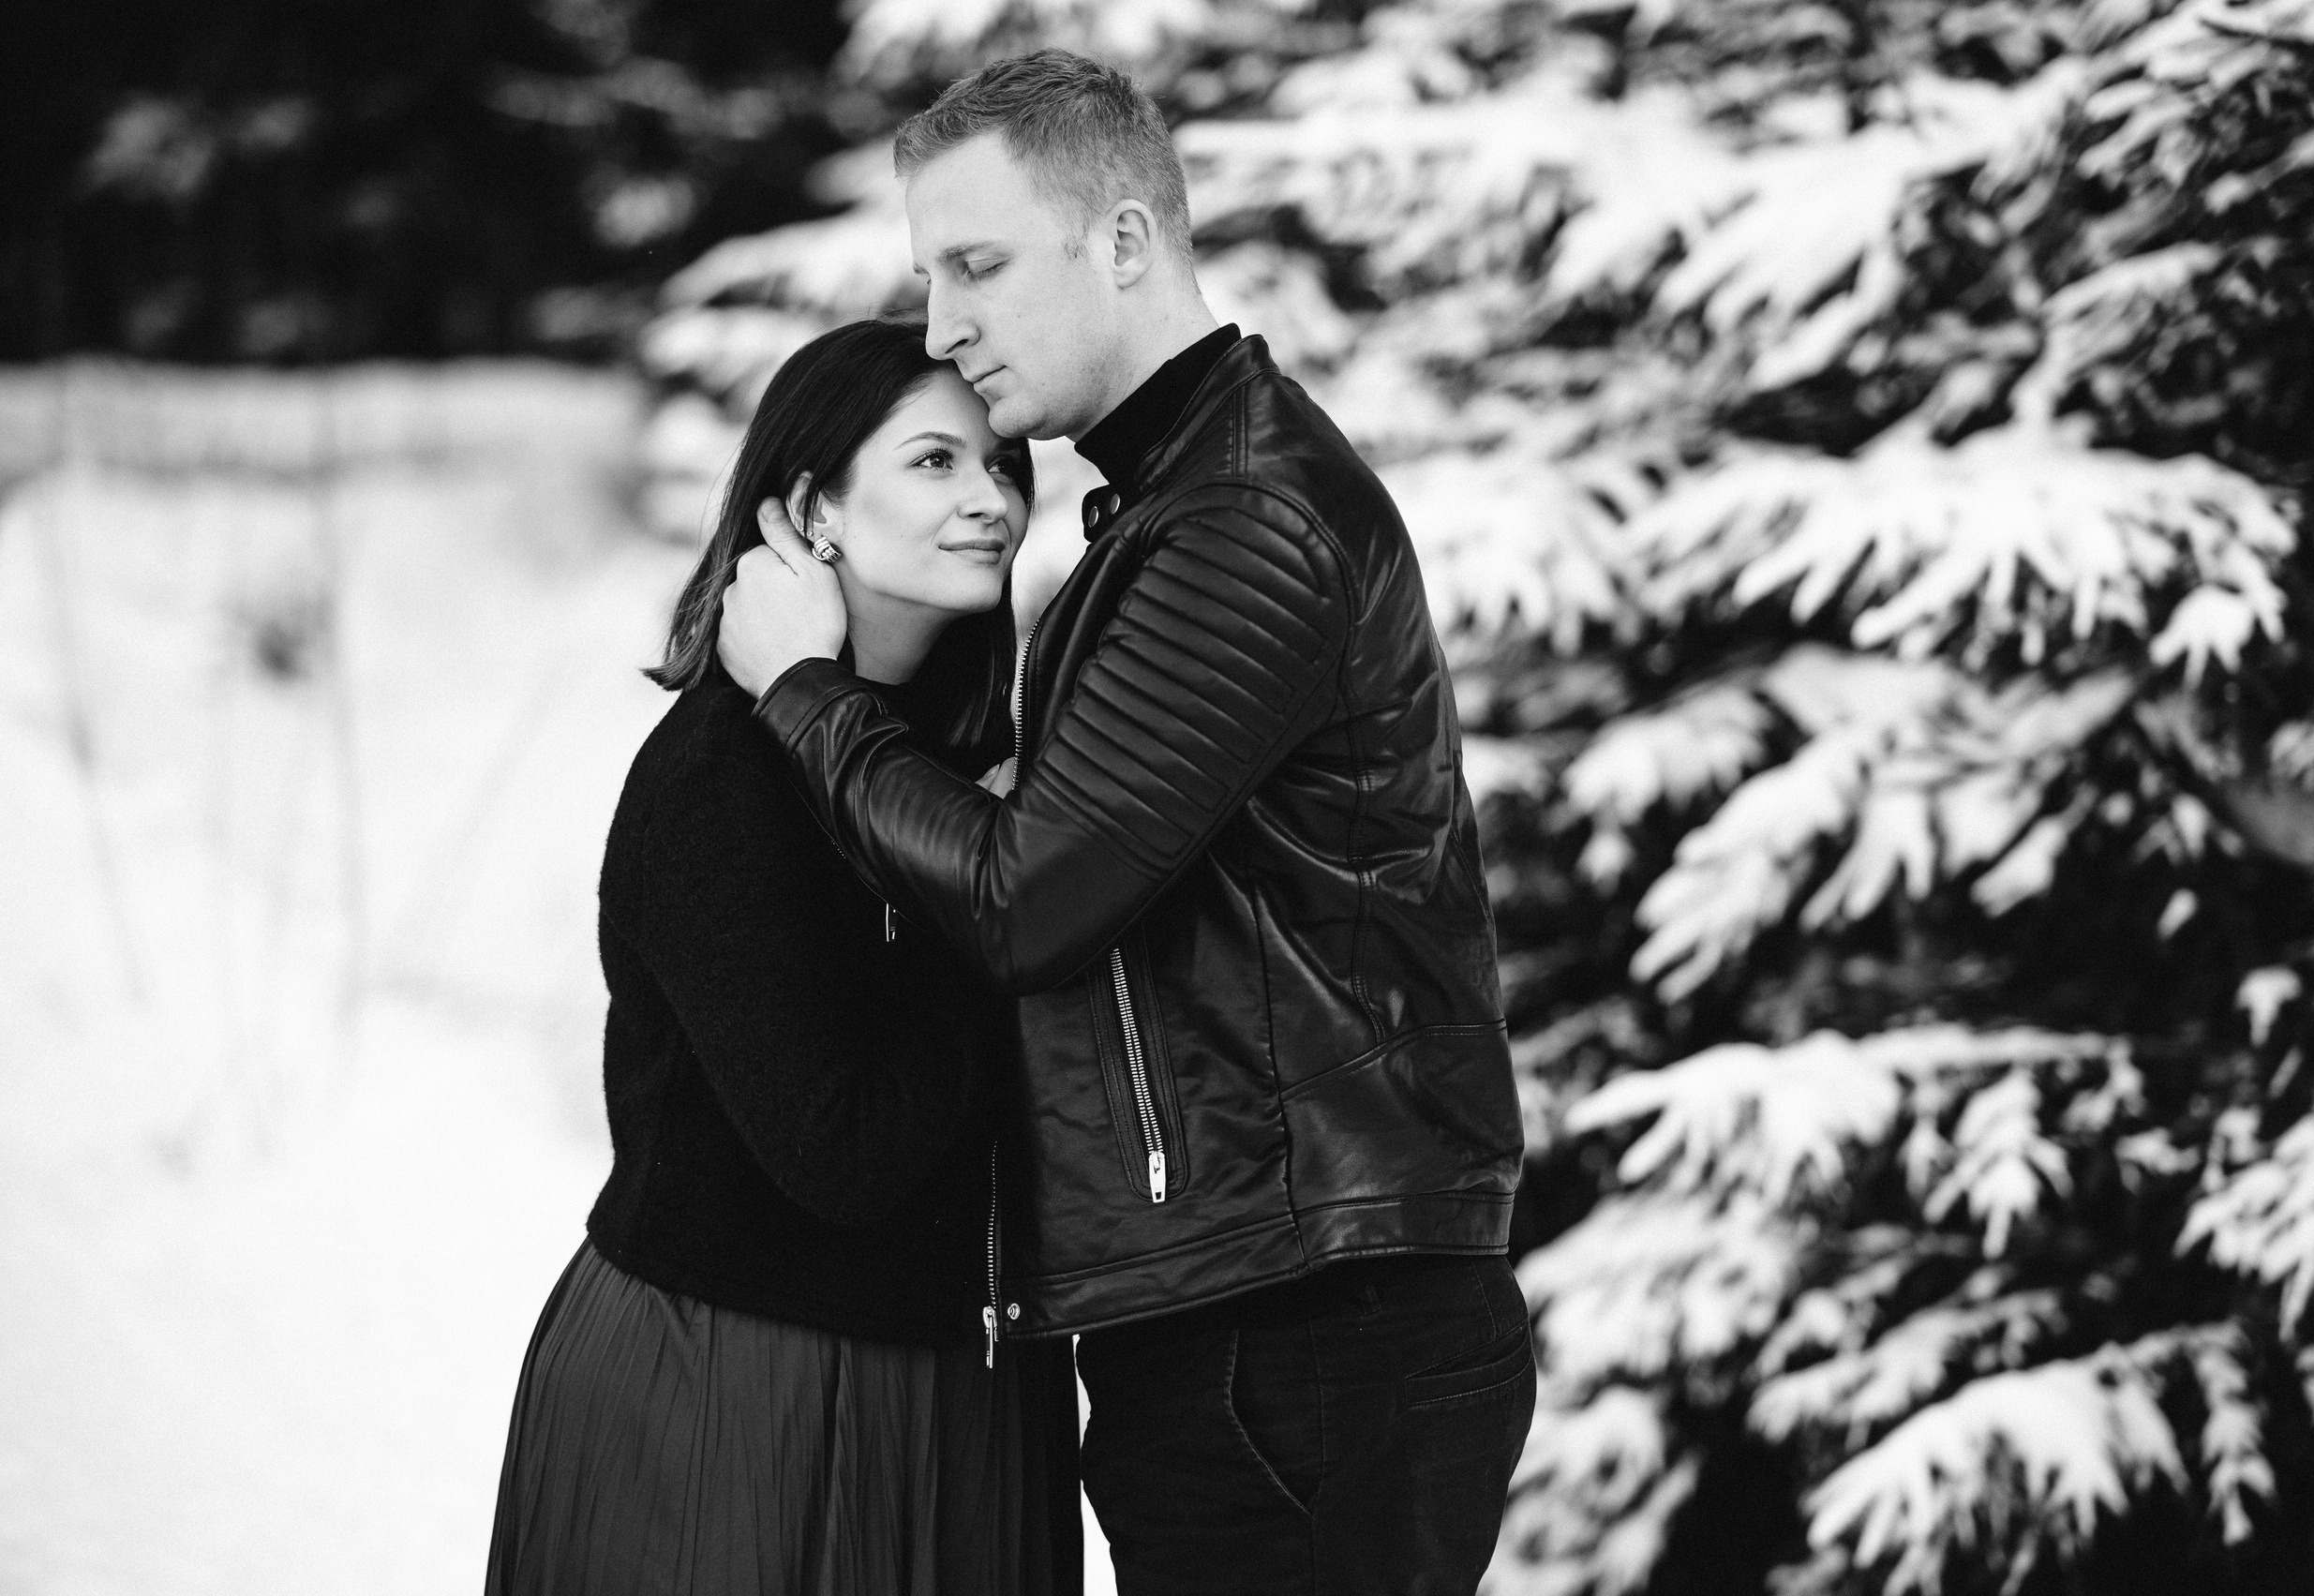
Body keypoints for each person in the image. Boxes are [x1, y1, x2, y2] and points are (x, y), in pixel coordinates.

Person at [718, 49, 1532, 1596]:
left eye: (977, 265)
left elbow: (1029, 900)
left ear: (1125, 243)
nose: (945, 324)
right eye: (927, 274)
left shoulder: (1242, 522)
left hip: (1307, 1328)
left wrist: (808, 695)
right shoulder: (1169, 513)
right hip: (1263, 1310)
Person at [485, 318, 1081, 1596]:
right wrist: (1000, 893)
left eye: (1002, 465)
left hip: (968, 1394)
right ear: (810, 507)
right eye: (935, 463)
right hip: (744, 1394)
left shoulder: (968, 766)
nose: (992, 500)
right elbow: (841, 1148)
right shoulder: (723, 778)